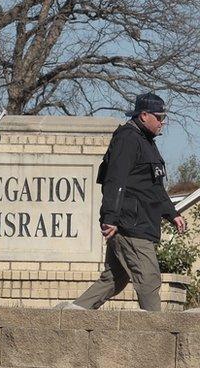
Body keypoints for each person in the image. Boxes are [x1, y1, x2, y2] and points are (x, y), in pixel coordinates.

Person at [74, 93, 187, 311]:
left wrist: (172, 213)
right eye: (159, 117)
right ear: (144, 115)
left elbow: (154, 186)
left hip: (140, 222)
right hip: (130, 224)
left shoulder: (146, 142)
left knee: (114, 279)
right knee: (149, 278)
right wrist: (111, 218)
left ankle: (70, 315)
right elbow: (115, 180)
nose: (162, 123)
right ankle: (155, 333)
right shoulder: (127, 139)